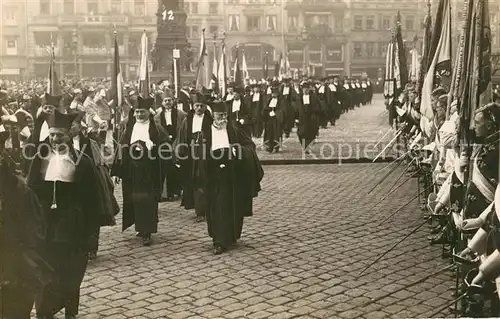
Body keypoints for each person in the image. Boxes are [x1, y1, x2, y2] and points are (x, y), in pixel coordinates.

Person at [27, 110, 102, 319]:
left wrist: (90, 233)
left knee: (69, 269)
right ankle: (44, 310)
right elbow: (30, 189)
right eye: (51, 135)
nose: (54, 139)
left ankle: (70, 310)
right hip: (46, 223)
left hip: (71, 222)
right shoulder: (40, 158)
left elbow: (92, 199)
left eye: (59, 135)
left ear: (69, 134)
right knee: (45, 267)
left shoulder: (82, 160)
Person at [201, 100, 264, 254]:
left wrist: (237, 150)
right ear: (213, 116)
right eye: (219, 116)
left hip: (233, 174)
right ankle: (219, 240)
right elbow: (200, 155)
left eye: (224, 115)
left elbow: (250, 146)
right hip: (214, 175)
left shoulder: (235, 130)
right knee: (218, 207)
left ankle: (231, 235)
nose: (222, 119)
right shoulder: (206, 133)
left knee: (233, 207)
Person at [111, 96, 164, 246]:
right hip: (132, 171)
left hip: (149, 171)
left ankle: (147, 231)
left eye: (143, 112)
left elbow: (165, 148)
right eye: (138, 112)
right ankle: (139, 227)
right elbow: (121, 147)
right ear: (134, 113)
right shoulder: (129, 127)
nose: (140, 115)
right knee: (134, 200)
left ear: (149, 112)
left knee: (147, 200)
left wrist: (154, 147)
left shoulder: (156, 128)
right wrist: (118, 170)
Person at [175, 92, 213, 222]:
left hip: (206, 154)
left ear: (205, 106)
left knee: (206, 179)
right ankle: (199, 210)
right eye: (197, 105)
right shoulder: (187, 120)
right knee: (195, 180)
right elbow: (181, 138)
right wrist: (181, 153)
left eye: (202, 106)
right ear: (193, 106)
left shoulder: (210, 120)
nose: (199, 108)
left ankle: (207, 208)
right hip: (191, 153)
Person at [154, 92, 186, 202]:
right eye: (165, 101)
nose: (167, 102)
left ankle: (176, 190)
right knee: (165, 168)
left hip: (177, 142)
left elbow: (183, 129)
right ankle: (165, 192)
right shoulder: (157, 117)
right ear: (162, 103)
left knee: (177, 167)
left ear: (173, 101)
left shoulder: (181, 114)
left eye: (169, 100)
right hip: (164, 145)